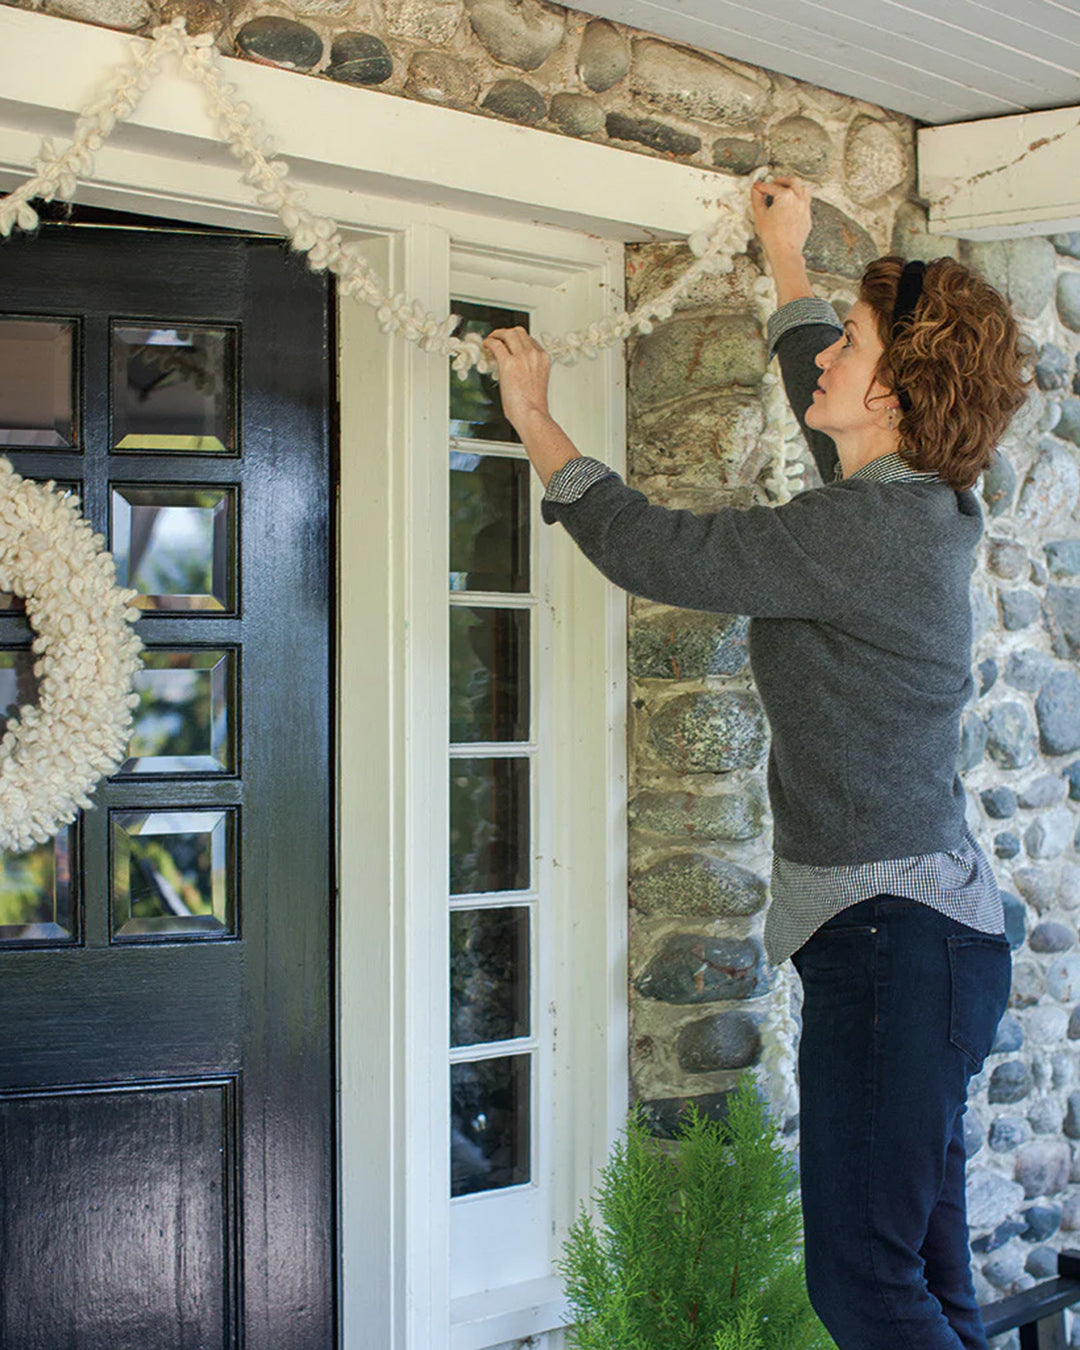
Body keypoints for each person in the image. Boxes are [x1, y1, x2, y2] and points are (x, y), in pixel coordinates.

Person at [482, 177, 1030, 1350]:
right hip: (926, 943)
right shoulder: (909, 502)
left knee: (866, 1288)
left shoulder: (864, 530)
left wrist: (534, 417)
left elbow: (656, 548)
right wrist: (787, 255)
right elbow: (815, 393)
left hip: (896, 948)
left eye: (853, 342)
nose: (828, 355)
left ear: (895, 389)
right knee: (927, 1286)